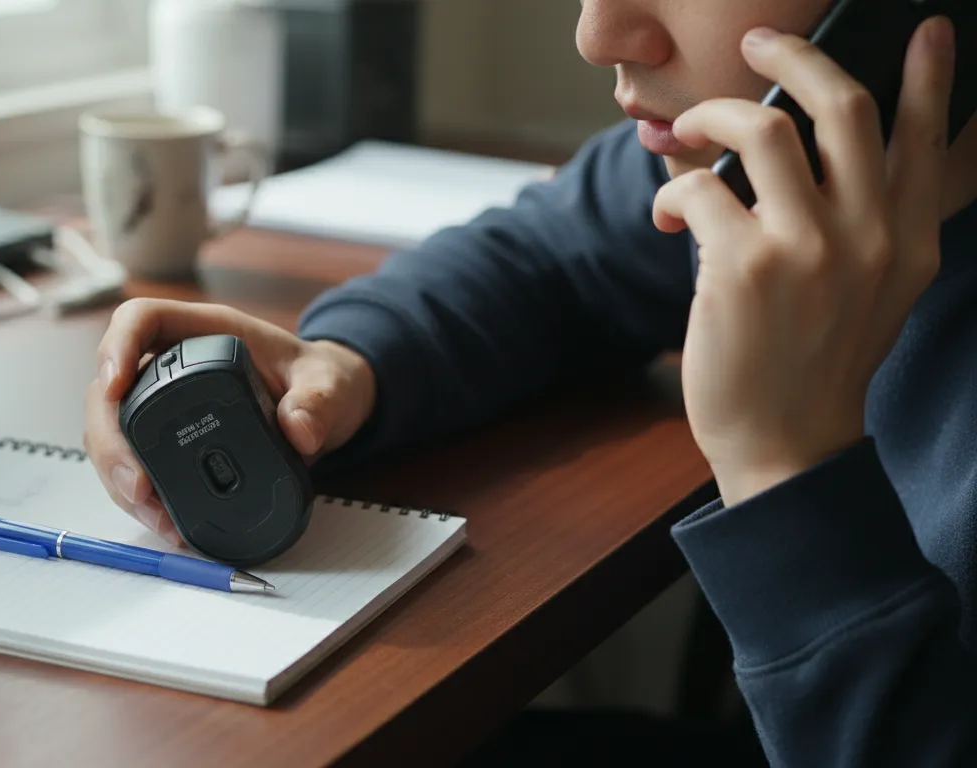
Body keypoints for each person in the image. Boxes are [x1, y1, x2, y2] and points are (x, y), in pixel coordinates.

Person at [82, 0, 977, 764]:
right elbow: (554, 255)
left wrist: (784, 463)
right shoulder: (758, 179)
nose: (599, 33)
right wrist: (345, 363)